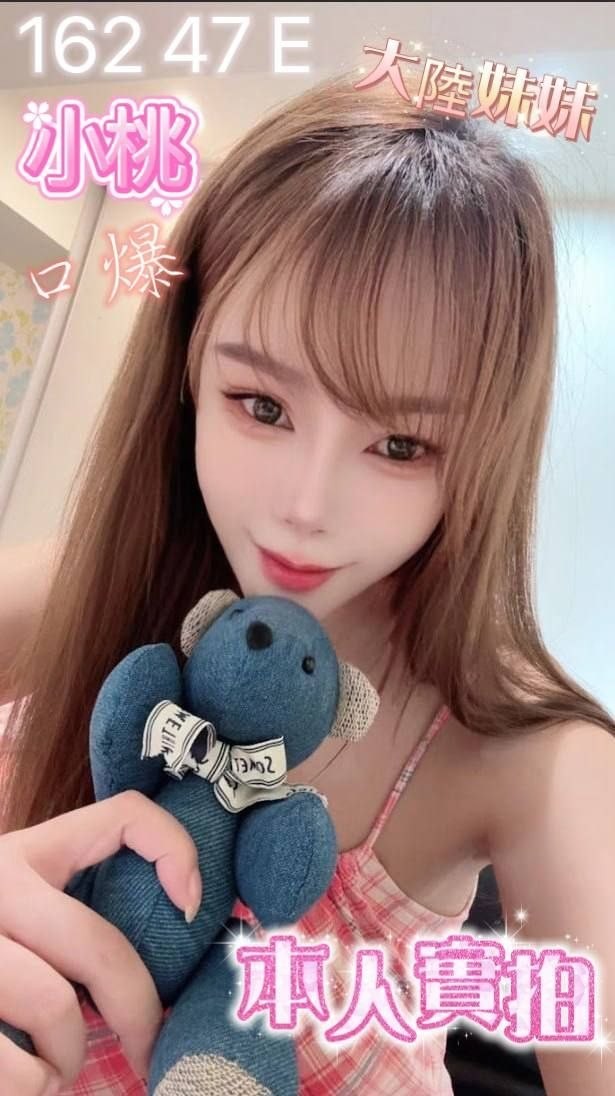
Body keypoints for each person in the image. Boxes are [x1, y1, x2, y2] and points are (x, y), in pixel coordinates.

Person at [0, 67, 613, 1096]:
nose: (305, 506)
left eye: (401, 445)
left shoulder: (529, 759)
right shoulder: (80, 594)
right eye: (262, 405)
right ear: (188, 369)